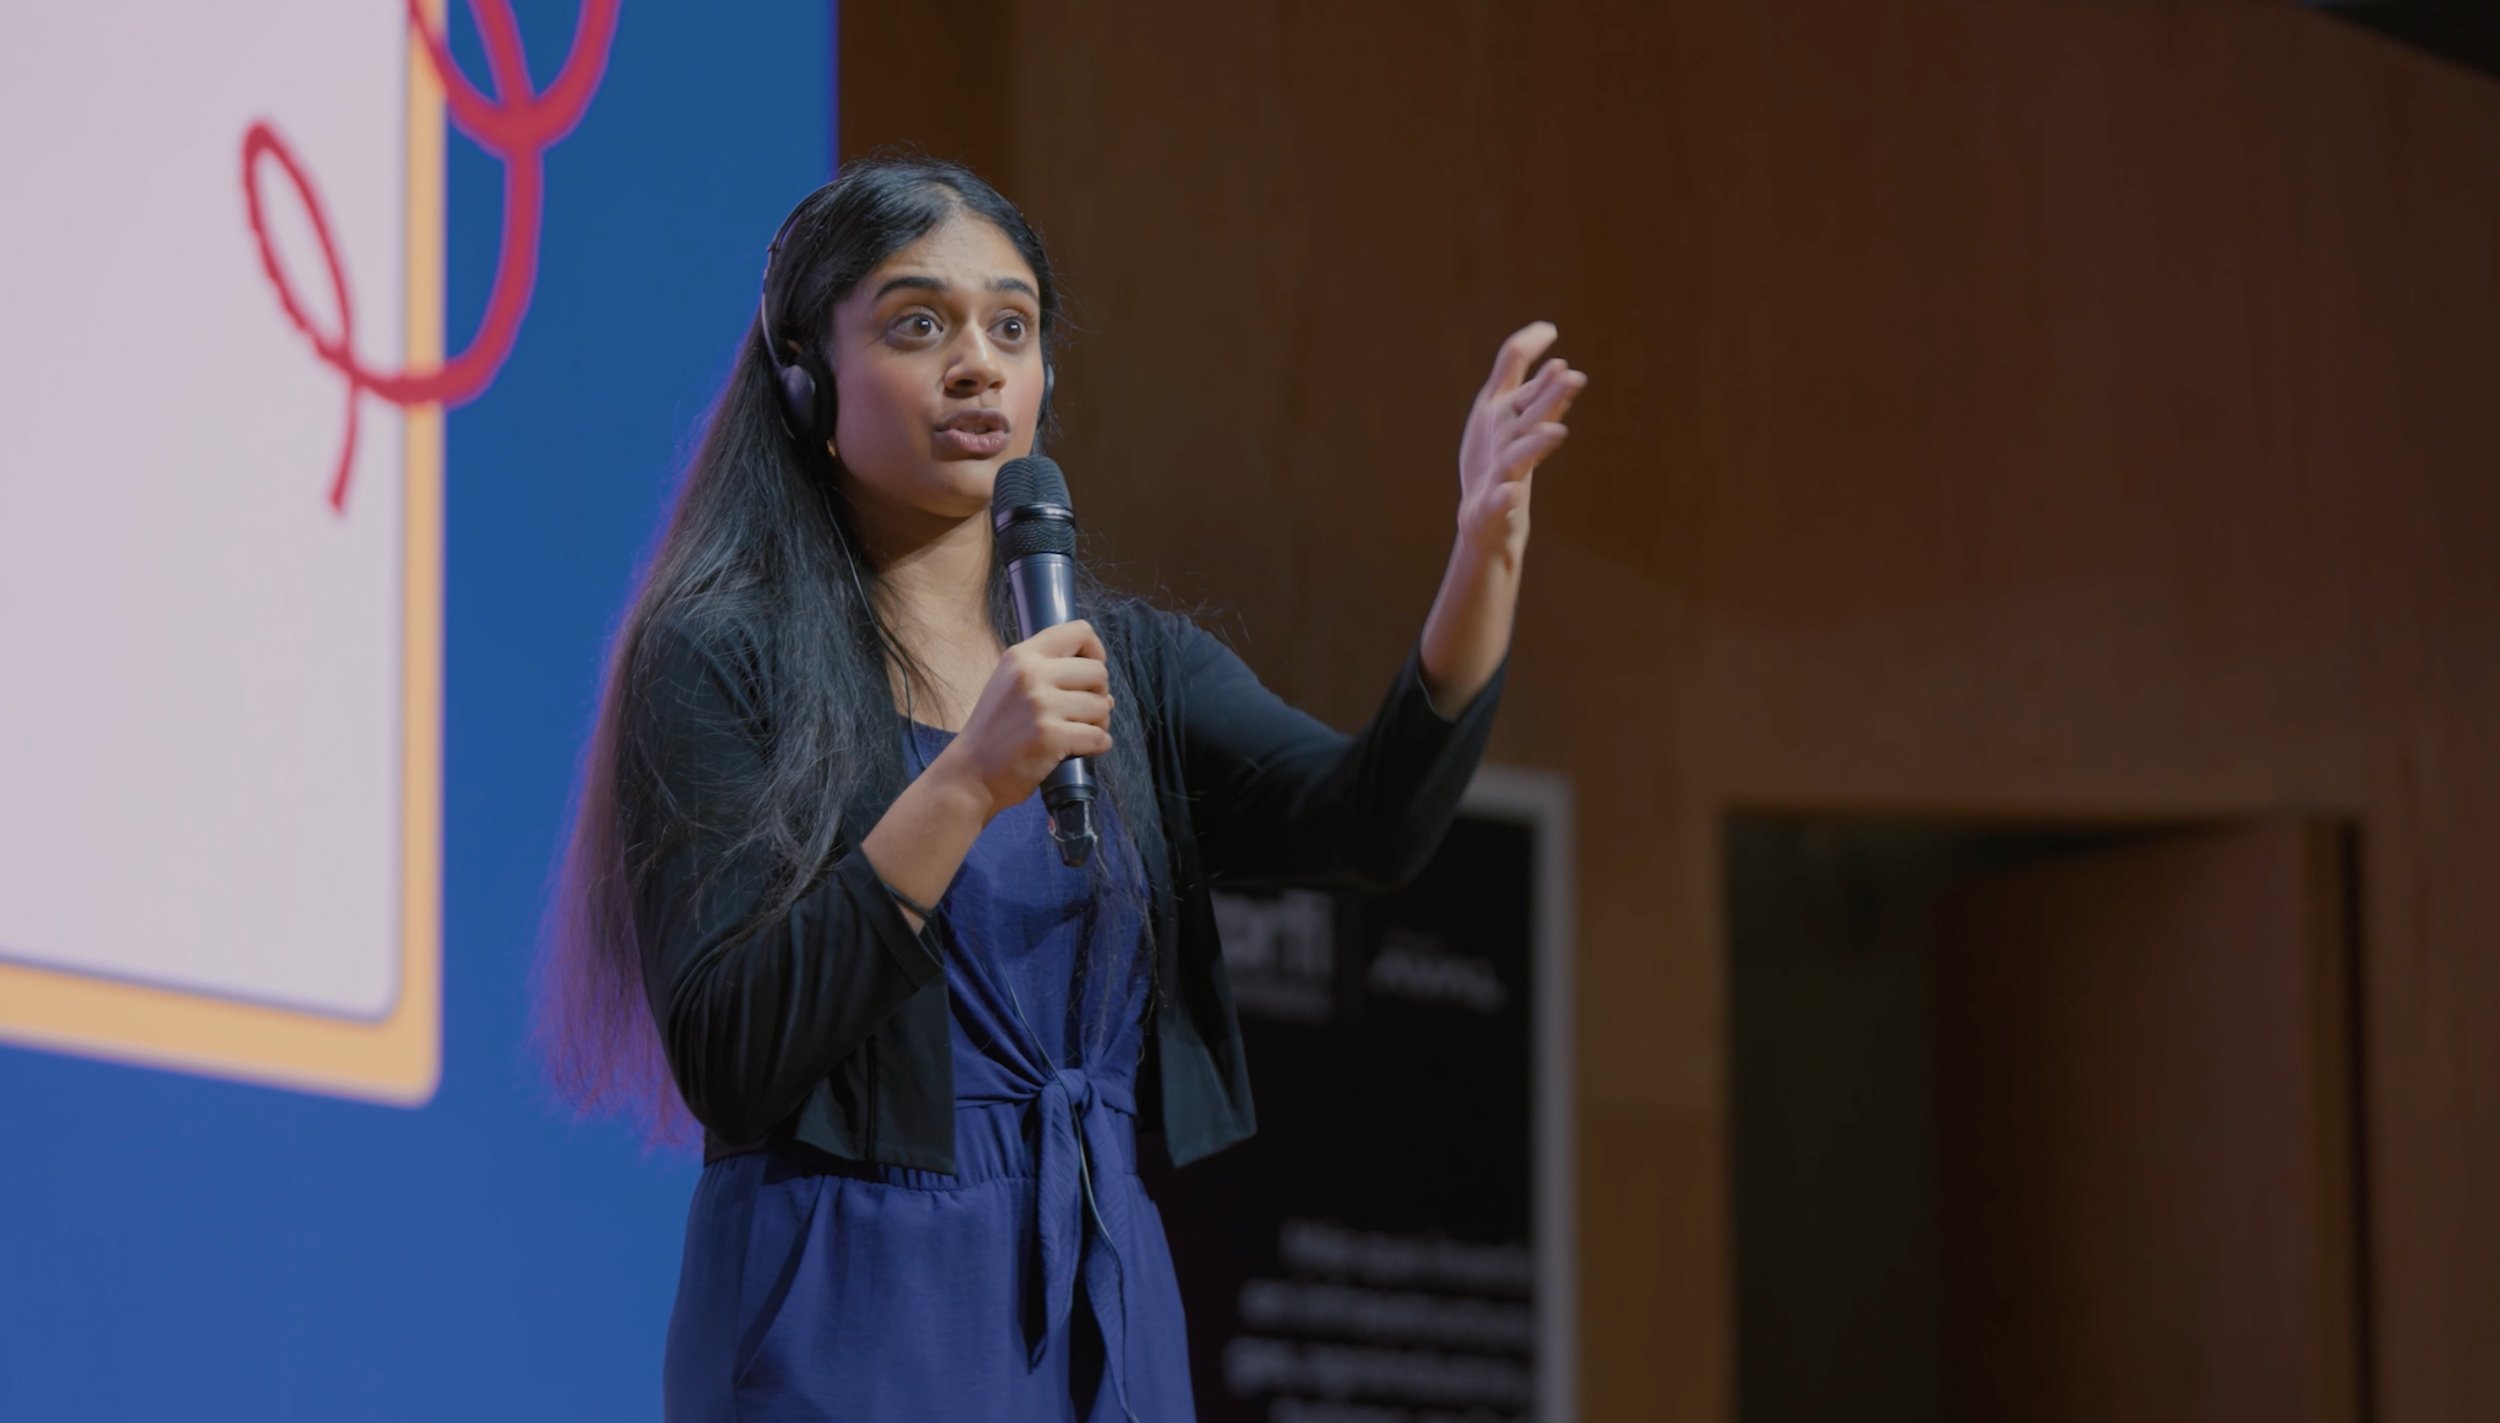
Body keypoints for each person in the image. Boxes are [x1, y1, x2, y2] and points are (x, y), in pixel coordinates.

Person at [534, 154, 1586, 1421]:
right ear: (807, 374)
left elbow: (1369, 824)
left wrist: (1483, 552)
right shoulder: (716, 651)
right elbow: (735, 1048)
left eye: (1011, 326)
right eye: (918, 324)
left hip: (1097, 1288)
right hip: (851, 1300)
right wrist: (971, 779)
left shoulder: (1122, 661)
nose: (976, 363)